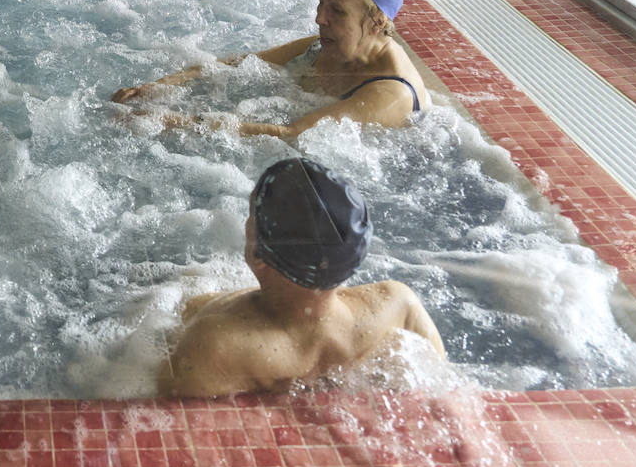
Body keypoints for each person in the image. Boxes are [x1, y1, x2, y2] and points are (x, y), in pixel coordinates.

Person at [159, 158, 445, 398]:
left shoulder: (213, 345)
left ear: (259, 256)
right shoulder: (398, 306)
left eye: (251, 217)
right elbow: (441, 385)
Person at [111, 0, 428, 139]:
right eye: (320, 4)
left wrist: (172, 122)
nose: (320, 18)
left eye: (337, 11)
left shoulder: (391, 94)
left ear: (378, 22)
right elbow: (246, 62)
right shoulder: (332, 45)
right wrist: (162, 85)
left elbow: (293, 135)